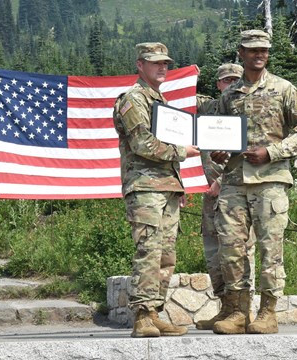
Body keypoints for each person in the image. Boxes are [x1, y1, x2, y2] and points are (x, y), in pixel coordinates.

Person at [210, 30, 297, 335]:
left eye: (264, 50)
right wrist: (217, 149)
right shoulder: (228, 95)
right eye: (253, 50)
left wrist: (271, 151)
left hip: (270, 180)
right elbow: (220, 134)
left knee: (271, 248)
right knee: (230, 249)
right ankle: (239, 312)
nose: (259, 55)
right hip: (234, 181)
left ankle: (268, 313)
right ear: (241, 52)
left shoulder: (284, 89)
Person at [112, 42, 200, 338]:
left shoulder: (158, 101)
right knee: (149, 251)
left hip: (166, 186)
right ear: (140, 65)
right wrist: (184, 151)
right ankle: (141, 316)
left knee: (166, 255)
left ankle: (154, 311)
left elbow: (164, 147)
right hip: (145, 187)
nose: (162, 67)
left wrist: (178, 183)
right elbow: (142, 144)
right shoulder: (133, 99)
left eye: (165, 63)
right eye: (155, 63)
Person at [195, 63, 257, 331]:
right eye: (224, 80)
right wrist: (184, 78)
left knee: (239, 253)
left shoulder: (250, 107)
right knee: (214, 255)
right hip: (211, 198)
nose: (230, 83)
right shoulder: (211, 108)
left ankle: (243, 310)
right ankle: (225, 309)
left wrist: (222, 180)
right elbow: (181, 102)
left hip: (237, 194)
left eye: (235, 78)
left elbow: (252, 152)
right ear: (218, 84)